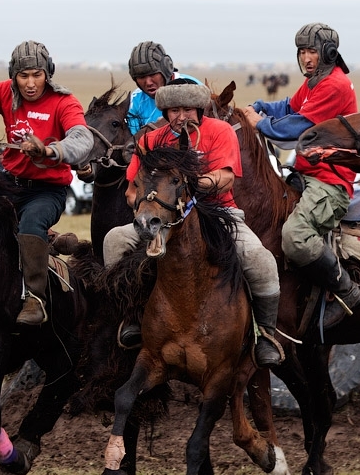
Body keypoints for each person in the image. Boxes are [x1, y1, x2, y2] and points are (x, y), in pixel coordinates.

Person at [104, 79, 283, 367]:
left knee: (259, 259)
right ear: (164, 111)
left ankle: (265, 335)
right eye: (174, 110)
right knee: (114, 241)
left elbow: (225, 178)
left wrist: (192, 185)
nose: (182, 116)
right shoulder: (150, 141)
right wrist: (148, 206)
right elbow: (131, 190)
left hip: (218, 213)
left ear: (200, 109)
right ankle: (132, 318)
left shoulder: (220, 131)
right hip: (163, 218)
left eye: (189, 109)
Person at [0, 40, 97, 325]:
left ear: (48, 73)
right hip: (8, 182)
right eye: (23, 76)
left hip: (47, 191)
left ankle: (36, 298)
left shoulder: (64, 102)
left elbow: (82, 140)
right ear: (14, 76)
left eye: (37, 74)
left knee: (31, 223)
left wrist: (49, 151)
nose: (31, 83)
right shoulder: (4, 93)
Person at [240, 22, 360, 330]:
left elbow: (297, 127)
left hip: (330, 181)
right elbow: (287, 107)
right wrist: (261, 107)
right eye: (302, 52)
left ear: (328, 53)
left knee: (294, 238)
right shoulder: (314, 82)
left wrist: (258, 124)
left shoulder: (334, 85)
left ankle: (345, 289)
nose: (306, 58)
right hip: (307, 174)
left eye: (312, 51)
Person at [126, 41, 199, 135]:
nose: (148, 82)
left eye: (153, 74)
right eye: (141, 77)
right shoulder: (135, 101)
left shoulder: (194, 89)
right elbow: (134, 139)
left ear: (166, 69)